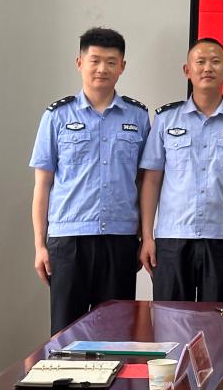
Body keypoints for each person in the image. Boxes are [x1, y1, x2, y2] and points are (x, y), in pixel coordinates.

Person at [29, 27, 151, 334]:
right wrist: (39, 245)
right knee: (65, 334)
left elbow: (143, 182)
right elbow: (42, 185)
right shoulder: (57, 116)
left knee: (116, 333)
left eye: (111, 62)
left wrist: (143, 235)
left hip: (120, 239)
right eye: (94, 60)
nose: (102, 69)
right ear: (79, 63)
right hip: (68, 240)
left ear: (122, 66)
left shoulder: (138, 116)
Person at [138, 38, 223, 302]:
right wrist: (147, 237)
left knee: (220, 319)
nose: (208, 68)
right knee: (169, 318)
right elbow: (152, 180)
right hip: (173, 238)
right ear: (187, 70)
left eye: (215, 62)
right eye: (200, 62)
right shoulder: (166, 119)